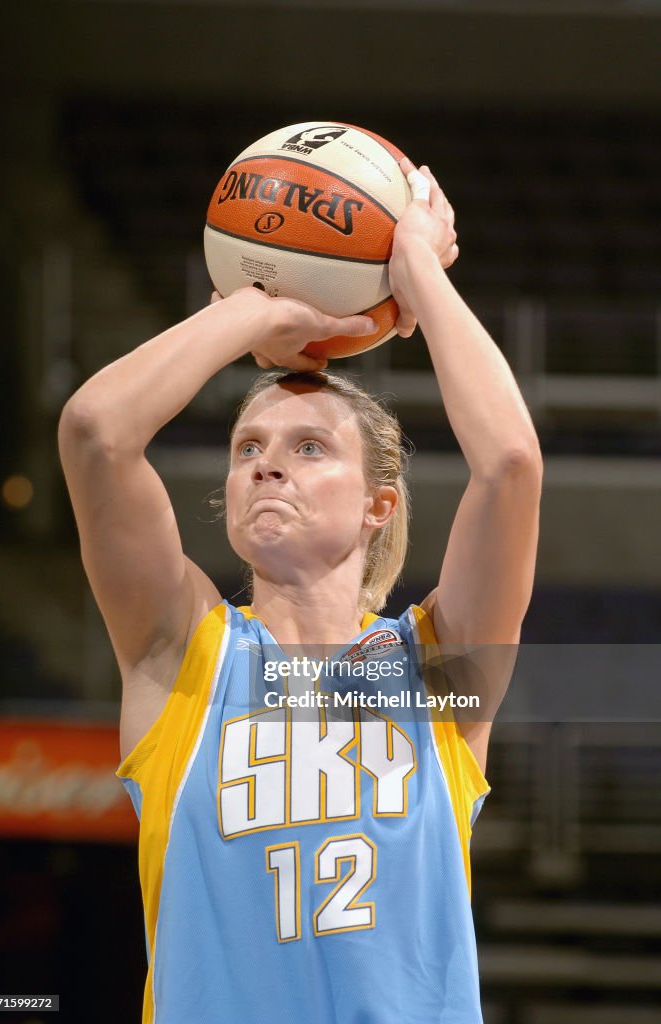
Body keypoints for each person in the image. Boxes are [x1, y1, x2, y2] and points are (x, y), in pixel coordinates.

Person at [58, 157, 542, 1024]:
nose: (267, 461)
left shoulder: (437, 668)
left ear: (376, 505)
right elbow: (97, 433)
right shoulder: (184, 655)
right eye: (248, 447)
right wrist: (260, 306)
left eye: (310, 447)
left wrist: (415, 269)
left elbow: (508, 465)